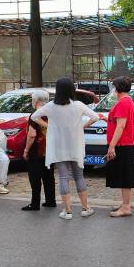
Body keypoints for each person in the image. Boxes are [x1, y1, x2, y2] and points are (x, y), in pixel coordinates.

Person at [31, 79, 99, 219]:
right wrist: (83, 126)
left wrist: (47, 125)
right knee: (79, 176)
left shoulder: (51, 106)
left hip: (58, 146)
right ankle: (85, 208)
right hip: (75, 145)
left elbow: (34, 116)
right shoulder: (79, 105)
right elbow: (95, 117)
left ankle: (67, 211)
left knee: (63, 177)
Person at [105, 76, 134, 218]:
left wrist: (112, 146)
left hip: (123, 144)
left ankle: (126, 207)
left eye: (114, 86)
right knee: (123, 175)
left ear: (118, 88)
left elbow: (121, 126)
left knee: (125, 176)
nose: (113, 89)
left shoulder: (123, 103)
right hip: (125, 143)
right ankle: (125, 204)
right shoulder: (127, 101)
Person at [21, 90, 56, 211]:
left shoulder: (35, 115)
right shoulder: (51, 113)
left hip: (36, 151)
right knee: (49, 177)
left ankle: (34, 203)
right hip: (49, 150)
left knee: (35, 177)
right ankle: (51, 200)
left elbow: (32, 135)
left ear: (35, 101)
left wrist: (26, 151)